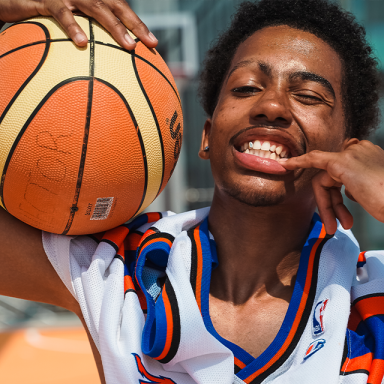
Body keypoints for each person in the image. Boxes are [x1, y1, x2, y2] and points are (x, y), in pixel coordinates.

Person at [0, 0, 384, 383]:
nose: (271, 105)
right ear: (206, 136)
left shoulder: (371, 295)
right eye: (247, 87)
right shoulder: (118, 270)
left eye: (309, 96)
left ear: (346, 152)